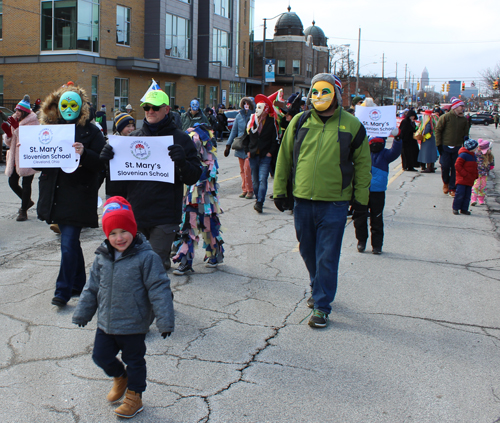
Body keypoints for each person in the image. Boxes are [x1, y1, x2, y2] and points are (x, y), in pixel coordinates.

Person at [273, 73, 371, 328]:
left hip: (335, 203)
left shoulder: (352, 125)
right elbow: (284, 157)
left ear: (336, 95)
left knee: (327, 255)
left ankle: (322, 305)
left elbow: (362, 166)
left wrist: (360, 201)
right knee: (307, 250)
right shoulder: (299, 121)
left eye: (325, 92)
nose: (319, 97)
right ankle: (317, 286)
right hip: (303, 200)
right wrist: (280, 190)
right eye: (315, 92)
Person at [72, 196, 174, 419]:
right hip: (106, 322)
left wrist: (165, 320)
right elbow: (92, 288)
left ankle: (134, 397)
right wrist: (83, 312)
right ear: (106, 235)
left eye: (124, 231)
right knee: (100, 356)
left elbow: (159, 288)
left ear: (133, 230)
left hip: (134, 324)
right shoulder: (102, 257)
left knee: (135, 362)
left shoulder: (147, 258)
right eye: (113, 233)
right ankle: (120, 376)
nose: (119, 238)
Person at [99, 89, 202, 271]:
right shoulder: (132, 139)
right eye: (146, 107)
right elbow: (118, 185)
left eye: (155, 107)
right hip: (136, 214)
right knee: (134, 269)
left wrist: (182, 162)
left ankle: (159, 299)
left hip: (164, 216)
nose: (150, 111)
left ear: (166, 109)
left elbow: (193, 176)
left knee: (153, 268)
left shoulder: (180, 139)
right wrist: (108, 163)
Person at [38, 83, 106, 307]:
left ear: (81, 107)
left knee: (67, 243)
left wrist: (84, 153)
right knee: (71, 243)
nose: (68, 109)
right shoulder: (48, 129)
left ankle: (63, 291)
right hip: (56, 194)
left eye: (73, 105)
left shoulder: (92, 131)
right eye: (64, 105)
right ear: (57, 106)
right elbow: (42, 161)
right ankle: (78, 283)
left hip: (77, 195)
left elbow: (102, 163)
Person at [172, 124, 224, 275]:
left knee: (209, 224)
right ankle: (186, 261)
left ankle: (214, 254)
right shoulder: (194, 159)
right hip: (192, 195)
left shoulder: (209, 161)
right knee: (189, 225)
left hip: (204, 195)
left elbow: (208, 174)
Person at [354, 134, 402, 255]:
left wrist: (397, 139)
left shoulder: (385, 155)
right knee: (360, 218)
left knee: (376, 218)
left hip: (377, 192)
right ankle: (362, 241)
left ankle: (377, 245)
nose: (376, 145)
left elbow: (395, 151)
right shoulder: (363, 153)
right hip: (363, 190)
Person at [2, 95, 39, 221]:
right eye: (15, 110)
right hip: (14, 157)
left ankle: (23, 211)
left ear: (24, 112)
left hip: (27, 156)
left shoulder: (33, 121)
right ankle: (27, 201)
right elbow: (9, 142)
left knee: (27, 183)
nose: (16, 113)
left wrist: (17, 129)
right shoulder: (13, 119)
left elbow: (29, 138)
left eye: (18, 111)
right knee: (12, 182)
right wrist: (8, 135)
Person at [242, 93, 279, 213]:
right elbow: (245, 137)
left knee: (263, 178)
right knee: (255, 181)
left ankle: (260, 202)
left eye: (260, 107)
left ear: (266, 110)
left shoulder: (271, 122)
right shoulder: (251, 120)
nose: (258, 110)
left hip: (265, 156)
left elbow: (275, 140)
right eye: (257, 107)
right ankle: (258, 197)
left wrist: (270, 153)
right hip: (253, 155)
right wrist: (247, 150)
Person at [435, 97, 470, 197]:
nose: (462, 108)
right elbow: (438, 131)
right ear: (455, 107)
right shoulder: (445, 117)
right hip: (445, 147)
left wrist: (466, 147)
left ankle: (452, 187)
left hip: (458, 147)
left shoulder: (464, 120)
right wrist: (439, 145)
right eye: (461, 106)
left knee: (456, 168)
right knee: (445, 166)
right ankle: (446, 182)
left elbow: (466, 134)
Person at [224, 97, 255, 199]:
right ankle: (244, 190)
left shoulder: (255, 116)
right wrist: (228, 145)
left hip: (250, 146)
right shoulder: (239, 116)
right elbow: (234, 131)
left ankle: (250, 190)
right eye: (244, 103)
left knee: (247, 169)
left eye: (248, 104)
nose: (246, 106)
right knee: (242, 170)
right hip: (240, 146)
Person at [453, 139, 478, 215]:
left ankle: (464, 209)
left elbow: (475, 167)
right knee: (460, 194)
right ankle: (456, 208)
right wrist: (465, 174)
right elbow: (457, 165)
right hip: (462, 178)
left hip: (470, 179)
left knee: (467, 195)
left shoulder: (473, 155)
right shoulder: (463, 155)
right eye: (475, 147)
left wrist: (475, 175)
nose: (476, 149)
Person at [471, 138, 495, 206]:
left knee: (483, 187)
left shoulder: (490, 156)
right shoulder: (476, 154)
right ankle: (473, 199)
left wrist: (489, 167)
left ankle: (481, 199)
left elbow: (492, 164)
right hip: (477, 173)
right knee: (476, 186)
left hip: (484, 174)